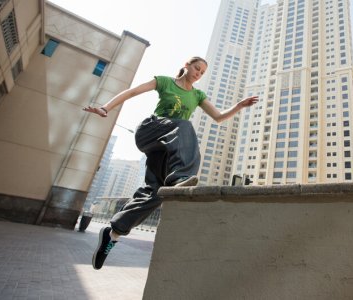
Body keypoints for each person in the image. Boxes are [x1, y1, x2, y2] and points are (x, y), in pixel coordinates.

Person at [83, 56, 258, 270]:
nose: (198, 74)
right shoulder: (164, 82)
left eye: (202, 72)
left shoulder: (197, 95)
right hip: (151, 130)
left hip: (164, 148)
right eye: (196, 68)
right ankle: (181, 177)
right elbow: (132, 92)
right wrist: (106, 108)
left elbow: (219, 117)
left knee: (155, 192)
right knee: (184, 126)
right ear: (186, 65)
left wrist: (238, 106)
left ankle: (113, 234)